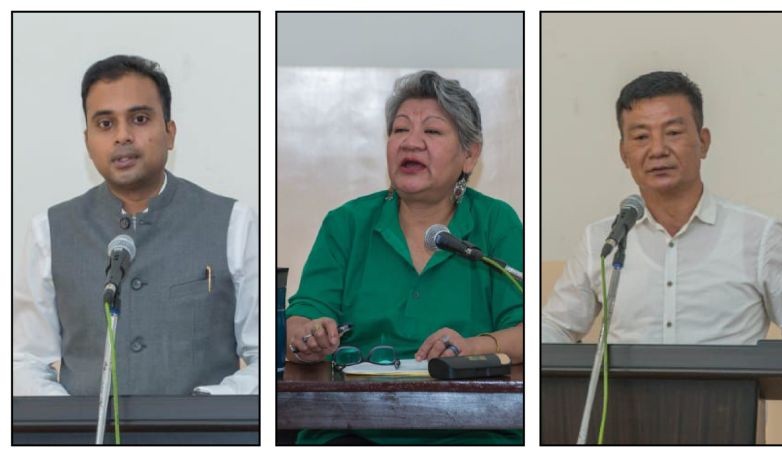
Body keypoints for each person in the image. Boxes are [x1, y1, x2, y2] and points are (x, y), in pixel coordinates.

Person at [284, 70, 523, 444]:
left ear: (469, 154)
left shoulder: (496, 223)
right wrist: (308, 336)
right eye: (399, 130)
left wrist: (471, 348)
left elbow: (526, 334)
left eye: (432, 131)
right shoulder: (347, 223)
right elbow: (302, 318)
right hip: (353, 426)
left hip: (472, 427)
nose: (411, 143)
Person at [13, 55, 259, 396]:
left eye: (140, 119)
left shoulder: (235, 224)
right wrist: (68, 424)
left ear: (169, 133)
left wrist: (204, 410)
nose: (122, 136)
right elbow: (25, 361)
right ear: (87, 142)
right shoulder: (48, 233)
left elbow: (265, 359)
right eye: (105, 124)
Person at [542, 71, 782, 344]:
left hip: (731, 388)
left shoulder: (761, 236)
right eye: (641, 137)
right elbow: (556, 327)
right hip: (625, 388)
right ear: (624, 153)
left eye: (673, 133)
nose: (657, 150)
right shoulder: (602, 240)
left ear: (703, 142)